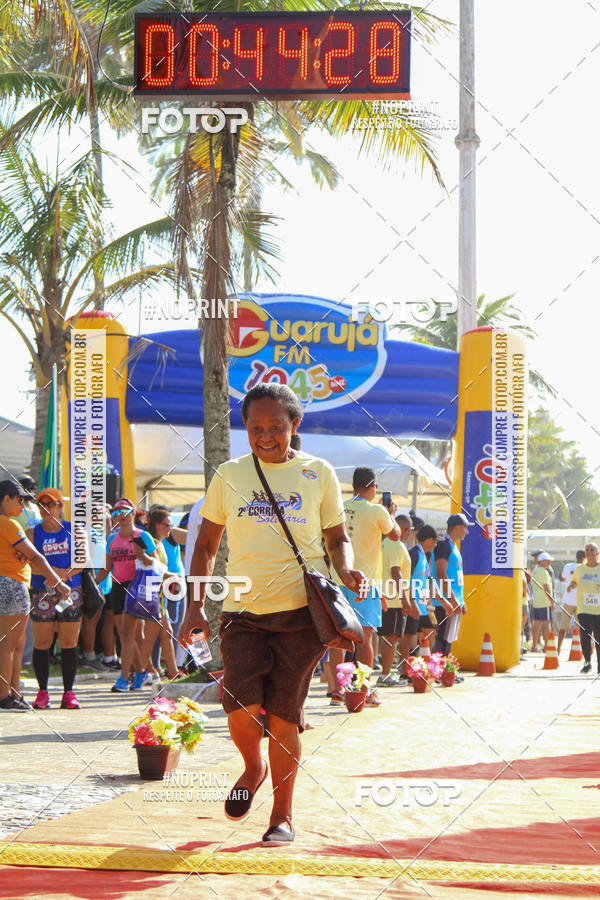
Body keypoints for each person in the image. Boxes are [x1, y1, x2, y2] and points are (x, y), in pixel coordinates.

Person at [178, 383, 365, 846]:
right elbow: (206, 544)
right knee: (239, 707)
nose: (266, 436)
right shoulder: (229, 474)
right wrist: (195, 605)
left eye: (276, 427)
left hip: (302, 613)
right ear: (245, 426)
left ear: (294, 425)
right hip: (242, 611)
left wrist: (346, 569)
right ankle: (252, 766)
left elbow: (337, 537)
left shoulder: (318, 472)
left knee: (284, 716)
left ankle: (281, 816)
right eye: (256, 427)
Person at [0, 479, 71, 711]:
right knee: (9, 645)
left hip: (6, 584)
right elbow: (37, 557)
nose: (23, 505)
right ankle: (4, 697)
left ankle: (14, 693)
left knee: (15, 645)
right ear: (6, 499)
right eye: (20, 500)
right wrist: (59, 582)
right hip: (12, 585)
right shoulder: (9, 524)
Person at [332, 468, 400, 708]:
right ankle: (364, 690)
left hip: (338, 579)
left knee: (338, 637)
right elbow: (395, 535)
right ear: (373, 487)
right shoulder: (377, 511)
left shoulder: (339, 506)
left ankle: (338, 690)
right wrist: (390, 513)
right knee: (366, 637)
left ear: (354, 485)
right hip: (365, 583)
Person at [28, 487, 88, 709]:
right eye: (42, 504)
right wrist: (54, 575)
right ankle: (42, 692)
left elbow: (83, 560)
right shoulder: (32, 533)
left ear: (61, 506)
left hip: (70, 591)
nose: (46, 509)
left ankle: (68, 693)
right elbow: (30, 562)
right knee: (42, 642)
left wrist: (61, 575)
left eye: (51, 504)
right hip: (41, 591)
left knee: (69, 642)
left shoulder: (75, 530)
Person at [94, 498, 157, 692]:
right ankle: (141, 673)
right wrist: (92, 584)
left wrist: (142, 554)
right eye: (115, 512)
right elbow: (106, 567)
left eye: (125, 511)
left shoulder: (142, 536)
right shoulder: (112, 540)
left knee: (128, 633)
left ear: (133, 513)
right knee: (126, 635)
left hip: (136, 587)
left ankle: (123, 678)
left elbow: (155, 564)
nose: (120, 515)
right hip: (118, 588)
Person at [377, 513, 417, 687]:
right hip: (394, 599)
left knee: (389, 638)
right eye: (409, 529)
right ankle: (385, 675)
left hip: (388, 596)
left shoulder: (386, 543)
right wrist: (405, 599)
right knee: (391, 638)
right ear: (405, 529)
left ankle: (385, 673)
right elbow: (396, 572)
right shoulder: (395, 544)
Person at [433, 514, 469, 662]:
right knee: (442, 637)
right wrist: (452, 600)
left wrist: (460, 601)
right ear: (458, 527)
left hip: (453, 600)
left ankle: (446, 667)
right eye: (465, 528)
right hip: (444, 601)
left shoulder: (454, 547)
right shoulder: (444, 545)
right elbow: (441, 573)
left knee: (449, 637)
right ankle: (439, 668)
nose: (467, 532)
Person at [405, 525, 438, 656]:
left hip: (422, 607)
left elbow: (428, 581)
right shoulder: (414, 554)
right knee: (410, 638)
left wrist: (443, 601)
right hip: (413, 605)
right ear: (429, 539)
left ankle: (423, 664)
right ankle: (408, 665)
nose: (436, 544)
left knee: (430, 633)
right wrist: (411, 602)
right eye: (435, 540)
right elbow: (405, 578)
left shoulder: (424, 556)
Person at [569, 543, 600, 674]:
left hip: (598, 609)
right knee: (585, 636)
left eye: (592, 550)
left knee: (598, 638)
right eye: (587, 550)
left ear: (597, 553)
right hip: (584, 609)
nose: (589, 552)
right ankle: (587, 662)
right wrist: (571, 585)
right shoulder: (579, 569)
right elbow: (574, 581)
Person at [556, 550, 585, 655]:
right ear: (585, 558)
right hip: (580, 602)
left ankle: (558, 649)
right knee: (581, 629)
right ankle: (582, 651)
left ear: (576, 557)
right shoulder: (585, 568)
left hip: (568, 601)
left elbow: (562, 578)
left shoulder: (567, 566)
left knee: (563, 628)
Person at [530, 552, 555, 652]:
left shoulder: (535, 571)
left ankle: (534, 646)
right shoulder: (544, 572)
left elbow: (532, 587)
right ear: (542, 561)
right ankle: (546, 646)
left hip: (536, 601)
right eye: (548, 560)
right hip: (544, 602)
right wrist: (552, 601)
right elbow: (546, 588)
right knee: (546, 623)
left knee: (537, 623)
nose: (549, 562)